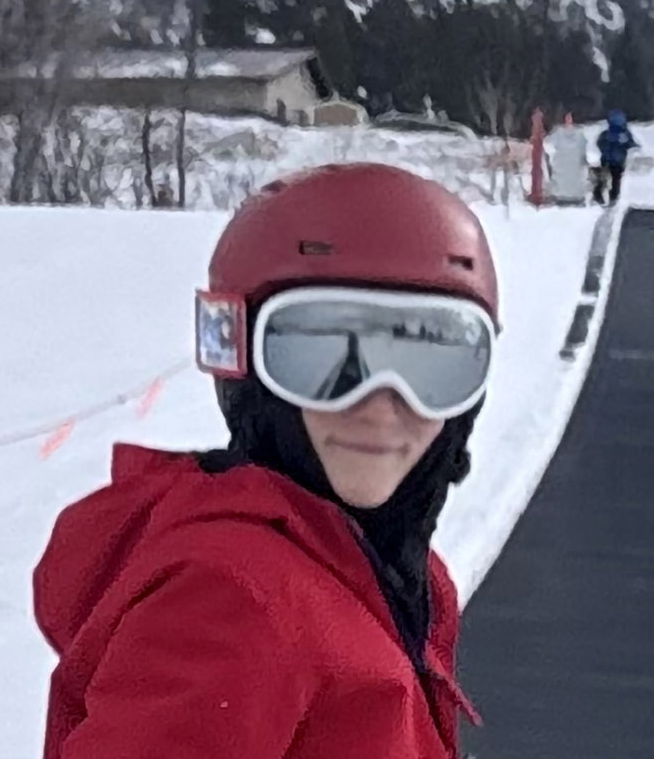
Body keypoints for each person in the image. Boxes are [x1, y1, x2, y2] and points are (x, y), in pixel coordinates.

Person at [34, 163, 501, 758]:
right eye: (324, 358)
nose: (382, 408)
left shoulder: (378, 570)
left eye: (432, 366)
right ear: (247, 369)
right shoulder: (234, 593)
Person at [594, 109, 637, 205]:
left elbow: (600, 143)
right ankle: (612, 196)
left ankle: (601, 195)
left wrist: (605, 150)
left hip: (608, 159)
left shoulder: (607, 134)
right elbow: (630, 144)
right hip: (617, 160)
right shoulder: (623, 134)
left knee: (605, 180)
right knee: (614, 180)